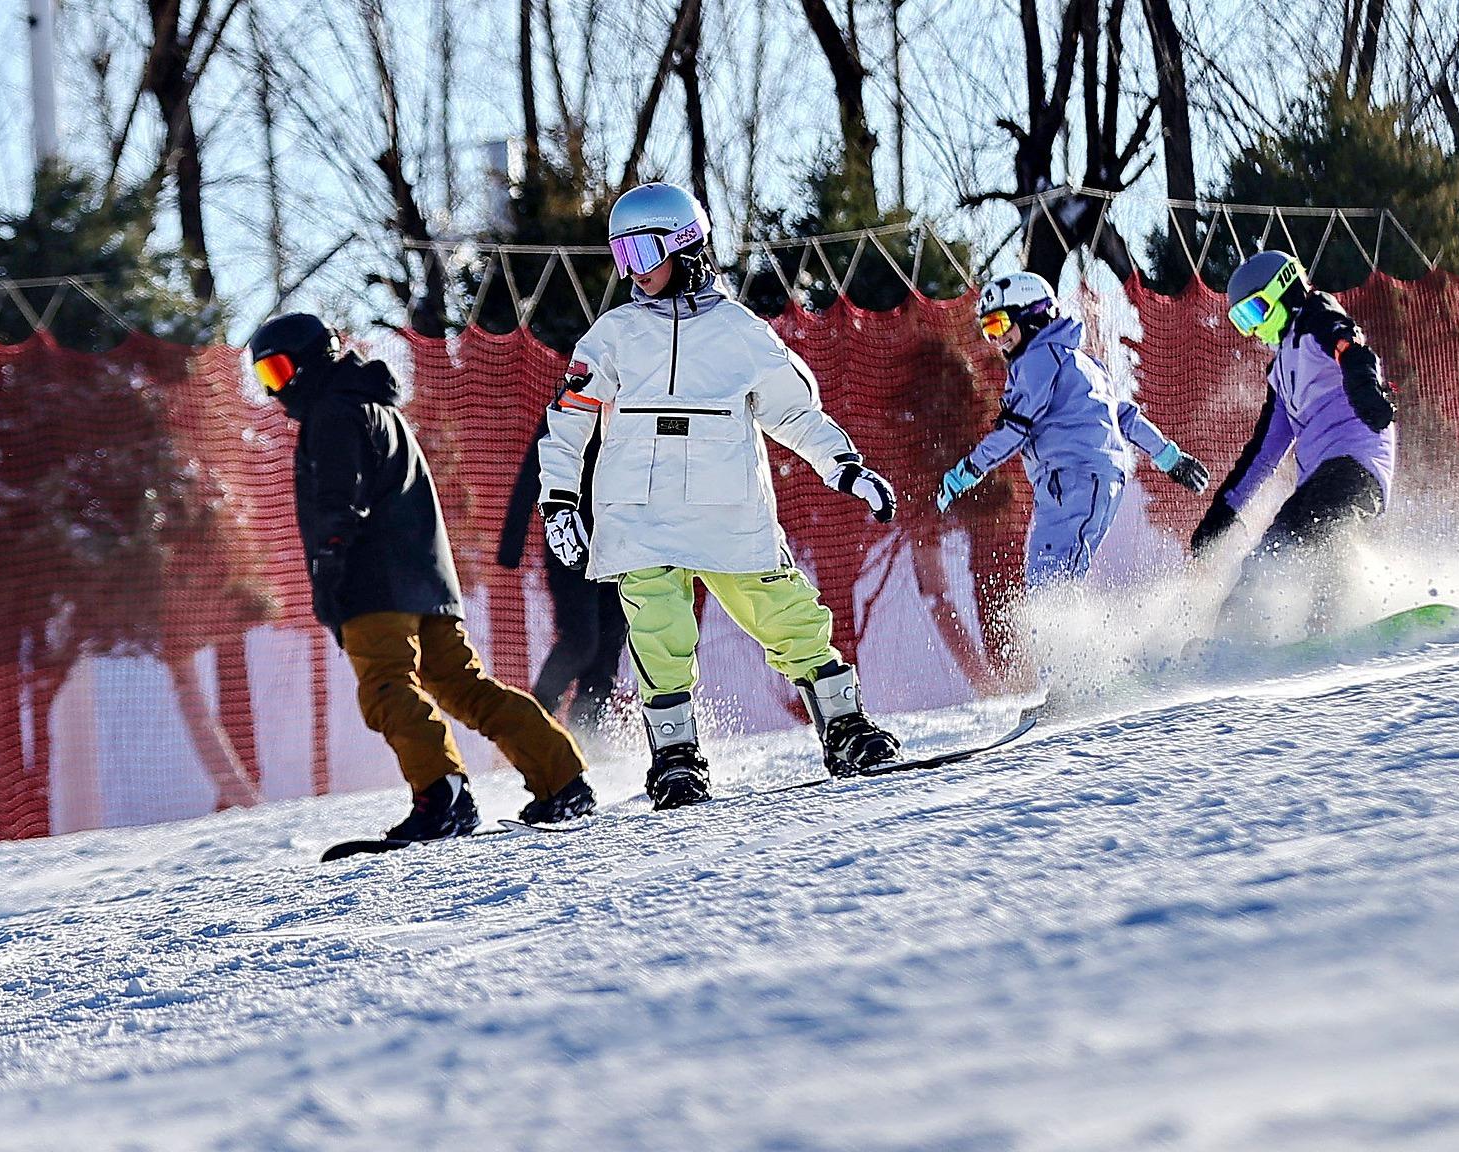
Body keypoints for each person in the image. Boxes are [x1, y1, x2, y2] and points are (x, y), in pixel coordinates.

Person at [537, 181, 903, 810]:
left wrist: (846, 467)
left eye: (643, 254)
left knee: (785, 613)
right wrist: (560, 501)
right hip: (638, 512)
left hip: (728, 506)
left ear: (686, 248)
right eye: (621, 257)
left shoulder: (740, 332)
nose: (633, 272)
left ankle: (844, 726)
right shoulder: (613, 335)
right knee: (658, 631)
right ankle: (676, 758)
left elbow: (797, 415)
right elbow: (566, 423)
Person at [248, 313, 594, 839]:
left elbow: (339, 501)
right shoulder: (375, 407)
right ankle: (561, 779)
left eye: (278, 370)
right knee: (462, 685)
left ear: (311, 358)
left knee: (388, 687)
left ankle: (442, 795)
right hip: (425, 578)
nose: (276, 389)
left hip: (373, 582)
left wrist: (330, 563)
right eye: (264, 378)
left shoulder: (333, 413)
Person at [935, 271, 1209, 586]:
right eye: (987, 331)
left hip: (1073, 478)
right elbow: (1122, 417)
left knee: (1052, 581)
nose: (996, 339)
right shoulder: (1084, 363)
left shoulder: (1038, 359)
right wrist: (1169, 457)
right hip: (1079, 481)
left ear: (1031, 313)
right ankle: (1060, 633)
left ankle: (1066, 635)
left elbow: (1016, 429)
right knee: (1050, 577)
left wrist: (964, 473)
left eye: (998, 324)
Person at [1189, 251, 1397, 630]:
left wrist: (1366, 388)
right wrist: (1224, 512)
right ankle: (1228, 640)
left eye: (1255, 312)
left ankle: (1332, 619)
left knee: (1313, 529)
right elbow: (1263, 454)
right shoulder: (1281, 371)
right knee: (1276, 551)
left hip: (1355, 462)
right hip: (1320, 479)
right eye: (1241, 322)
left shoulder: (1318, 315)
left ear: (1284, 290)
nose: (1252, 330)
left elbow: (1351, 349)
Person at [498, 416, 628, 741]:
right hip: (570, 549)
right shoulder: (571, 406)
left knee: (609, 646)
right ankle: (533, 728)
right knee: (580, 641)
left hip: (620, 547)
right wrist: (511, 545)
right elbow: (534, 472)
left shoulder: (632, 404)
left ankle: (588, 740)